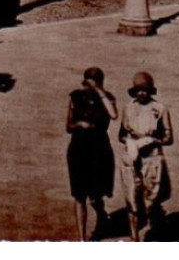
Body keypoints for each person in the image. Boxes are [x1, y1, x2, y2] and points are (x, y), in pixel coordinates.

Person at [117, 72, 174, 241]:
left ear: (150, 91)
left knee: (151, 200)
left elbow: (169, 138)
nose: (142, 94)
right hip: (131, 160)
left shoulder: (160, 109)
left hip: (152, 159)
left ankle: (155, 234)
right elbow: (121, 134)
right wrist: (129, 142)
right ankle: (134, 238)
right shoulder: (128, 107)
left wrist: (152, 140)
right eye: (138, 90)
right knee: (131, 199)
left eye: (145, 90)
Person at [66, 67, 118, 241]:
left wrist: (99, 91)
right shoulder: (76, 97)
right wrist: (80, 124)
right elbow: (68, 126)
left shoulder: (108, 98)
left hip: (99, 151)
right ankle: (82, 240)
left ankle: (101, 214)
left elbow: (113, 114)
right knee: (79, 196)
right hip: (78, 150)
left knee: (95, 196)